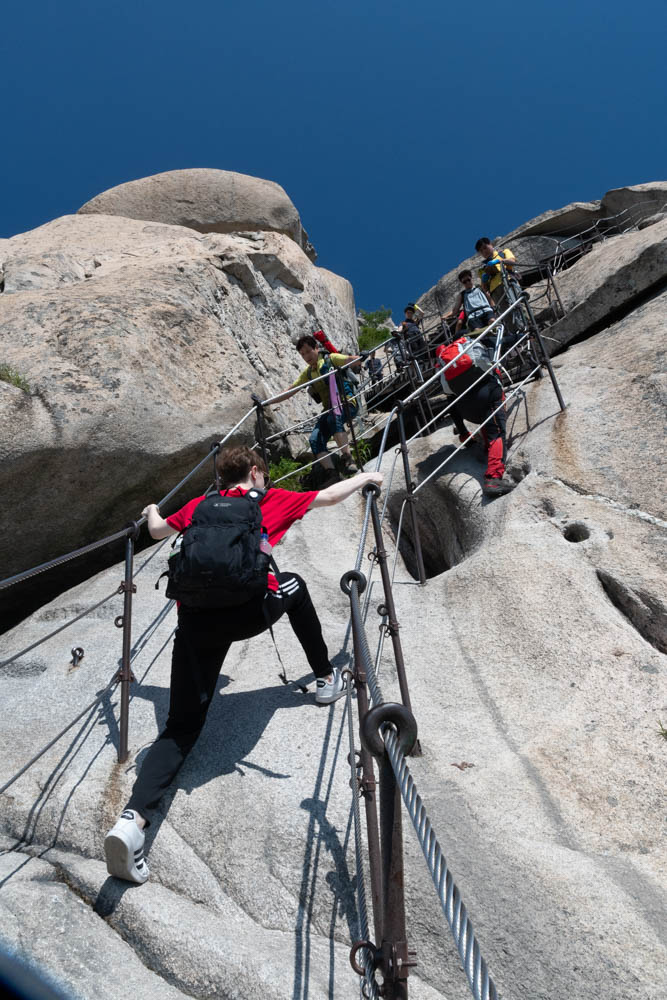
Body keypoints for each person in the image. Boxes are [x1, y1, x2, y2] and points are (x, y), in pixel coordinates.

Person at [104, 445, 384, 884]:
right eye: (263, 475)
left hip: (196, 623)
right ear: (254, 472)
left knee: (180, 727)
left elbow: (157, 530)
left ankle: (132, 822)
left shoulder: (199, 505)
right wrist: (366, 478)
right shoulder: (267, 501)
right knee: (296, 586)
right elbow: (328, 496)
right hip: (248, 614)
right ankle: (326, 678)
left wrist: (153, 507)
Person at [272, 335, 362, 485]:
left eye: (308, 351)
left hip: (347, 403)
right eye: (302, 354)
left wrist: (360, 357)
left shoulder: (331, 358)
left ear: (316, 348)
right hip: (329, 410)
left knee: (334, 417)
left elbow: (348, 360)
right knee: (315, 439)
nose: (306, 356)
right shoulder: (308, 373)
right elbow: (291, 390)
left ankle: (347, 458)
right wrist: (266, 403)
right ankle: (332, 474)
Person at [436, 343, 515, 498]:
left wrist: (464, 434)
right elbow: (489, 365)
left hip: (466, 409)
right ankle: (493, 478)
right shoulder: (467, 348)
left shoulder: (443, 368)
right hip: (488, 394)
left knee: (487, 422)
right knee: (497, 433)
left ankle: (485, 447)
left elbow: (449, 398)